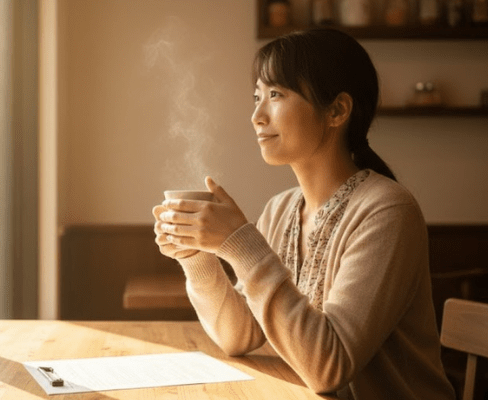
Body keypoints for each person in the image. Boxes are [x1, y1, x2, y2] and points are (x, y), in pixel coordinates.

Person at [152, 29, 456, 400]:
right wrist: (196, 256)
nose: (256, 116)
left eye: (276, 95)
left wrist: (241, 243)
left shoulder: (388, 212)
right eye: (256, 97)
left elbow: (328, 368)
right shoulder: (281, 209)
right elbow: (239, 336)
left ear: (337, 111)